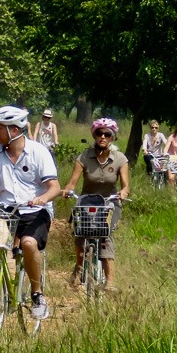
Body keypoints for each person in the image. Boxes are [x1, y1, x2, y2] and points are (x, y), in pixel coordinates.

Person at [0, 105, 61, 320]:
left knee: (28, 244)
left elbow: (54, 187)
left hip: (35, 210)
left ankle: (37, 294)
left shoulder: (39, 152)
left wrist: (43, 198)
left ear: (14, 131)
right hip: (6, 209)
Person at [61, 117, 130, 291]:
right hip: (87, 201)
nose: (103, 137)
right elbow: (73, 182)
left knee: (106, 235)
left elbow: (125, 185)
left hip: (109, 203)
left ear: (113, 137)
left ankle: (110, 280)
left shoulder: (120, 159)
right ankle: (78, 267)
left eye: (107, 134)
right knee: (81, 232)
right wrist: (68, 190)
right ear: (94, 135)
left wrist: (123, 193)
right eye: (99, 133)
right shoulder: (84, 156)